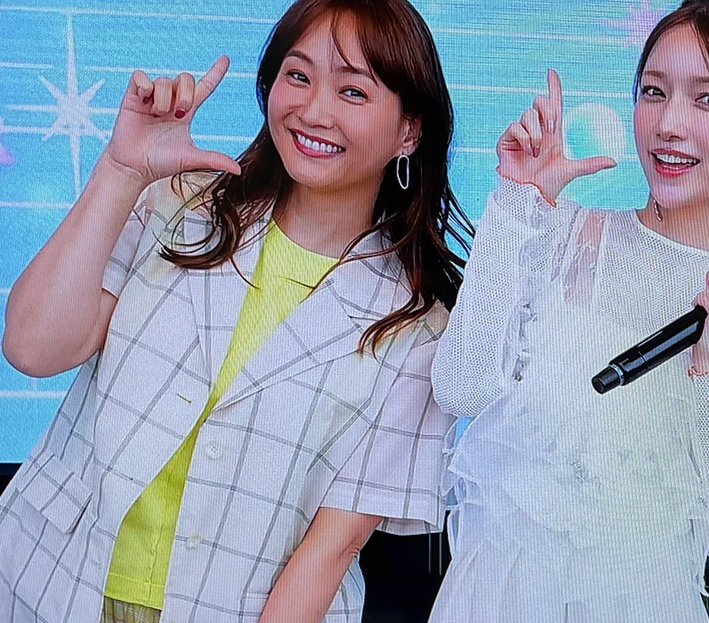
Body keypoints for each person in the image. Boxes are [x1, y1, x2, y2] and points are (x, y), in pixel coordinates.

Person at [0, 1, 472, 621]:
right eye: (298, 75)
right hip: (47, 580)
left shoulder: (418, 326)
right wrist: (120, 170)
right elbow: (31, 349)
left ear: (409, 131)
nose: (314, 110)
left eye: (353, 91)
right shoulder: (176, 202)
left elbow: (332, 550)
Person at [427, 1, 709, 620]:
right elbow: (462, 387)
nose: (669, 124)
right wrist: (516, 202)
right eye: (654, 92)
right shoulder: (557, 233)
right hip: (495, 597)